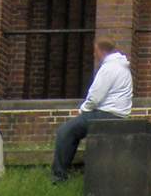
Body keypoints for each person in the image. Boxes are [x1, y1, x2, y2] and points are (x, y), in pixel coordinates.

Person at [51, 40, 133, 183]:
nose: (94, 55)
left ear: (101, 51)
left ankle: (59, 176)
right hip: (119, 115)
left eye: (95, 51)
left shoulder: (109, 68)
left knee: (65, 131)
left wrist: (84, 110)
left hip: (105, 114)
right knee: (72, 130)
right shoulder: (123, 67)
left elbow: (95, 96)